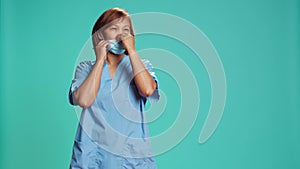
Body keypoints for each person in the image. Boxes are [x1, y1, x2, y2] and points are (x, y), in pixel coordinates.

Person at [68, 7, 160, 169]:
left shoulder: (140, 66)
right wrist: (100, 60)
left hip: (131, 155)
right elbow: (84, 100)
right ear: (99, 35)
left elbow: (147, 90)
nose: (121, 35)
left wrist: (131, 50)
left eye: (126, 30)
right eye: (113, 28)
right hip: (93, 153)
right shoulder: (85, 69)